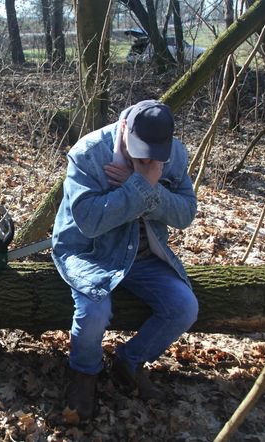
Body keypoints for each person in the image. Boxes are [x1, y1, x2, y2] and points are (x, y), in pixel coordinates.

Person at [51, 99, 199, 421]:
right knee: (93, 310)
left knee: (184, 307)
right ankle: (84, 374)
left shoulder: (175, 154)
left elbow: (186, 212)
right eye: (139, 149)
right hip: (89, 251)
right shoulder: (89, 153)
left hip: (144, 256)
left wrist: (147, 190)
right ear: (124, 129)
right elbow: (89, 221)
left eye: (153, 154)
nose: (145, 158)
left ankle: (128, 363)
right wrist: (140, 188)